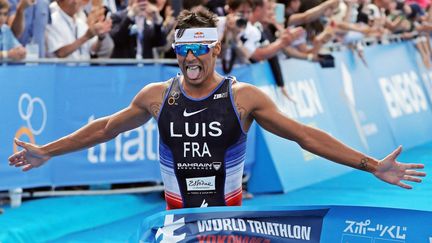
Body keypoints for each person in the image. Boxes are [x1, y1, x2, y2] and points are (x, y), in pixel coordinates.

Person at [8, 8, 426, 210]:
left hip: (226, 226)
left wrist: (371, 165)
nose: (190, 57)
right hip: (176, 223)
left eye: (199, 48)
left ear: (216, 49)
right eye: (182, 48)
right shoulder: (157, 95)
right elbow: (105, 129)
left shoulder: (243, 97)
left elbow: (304, 135)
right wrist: (47, 150)